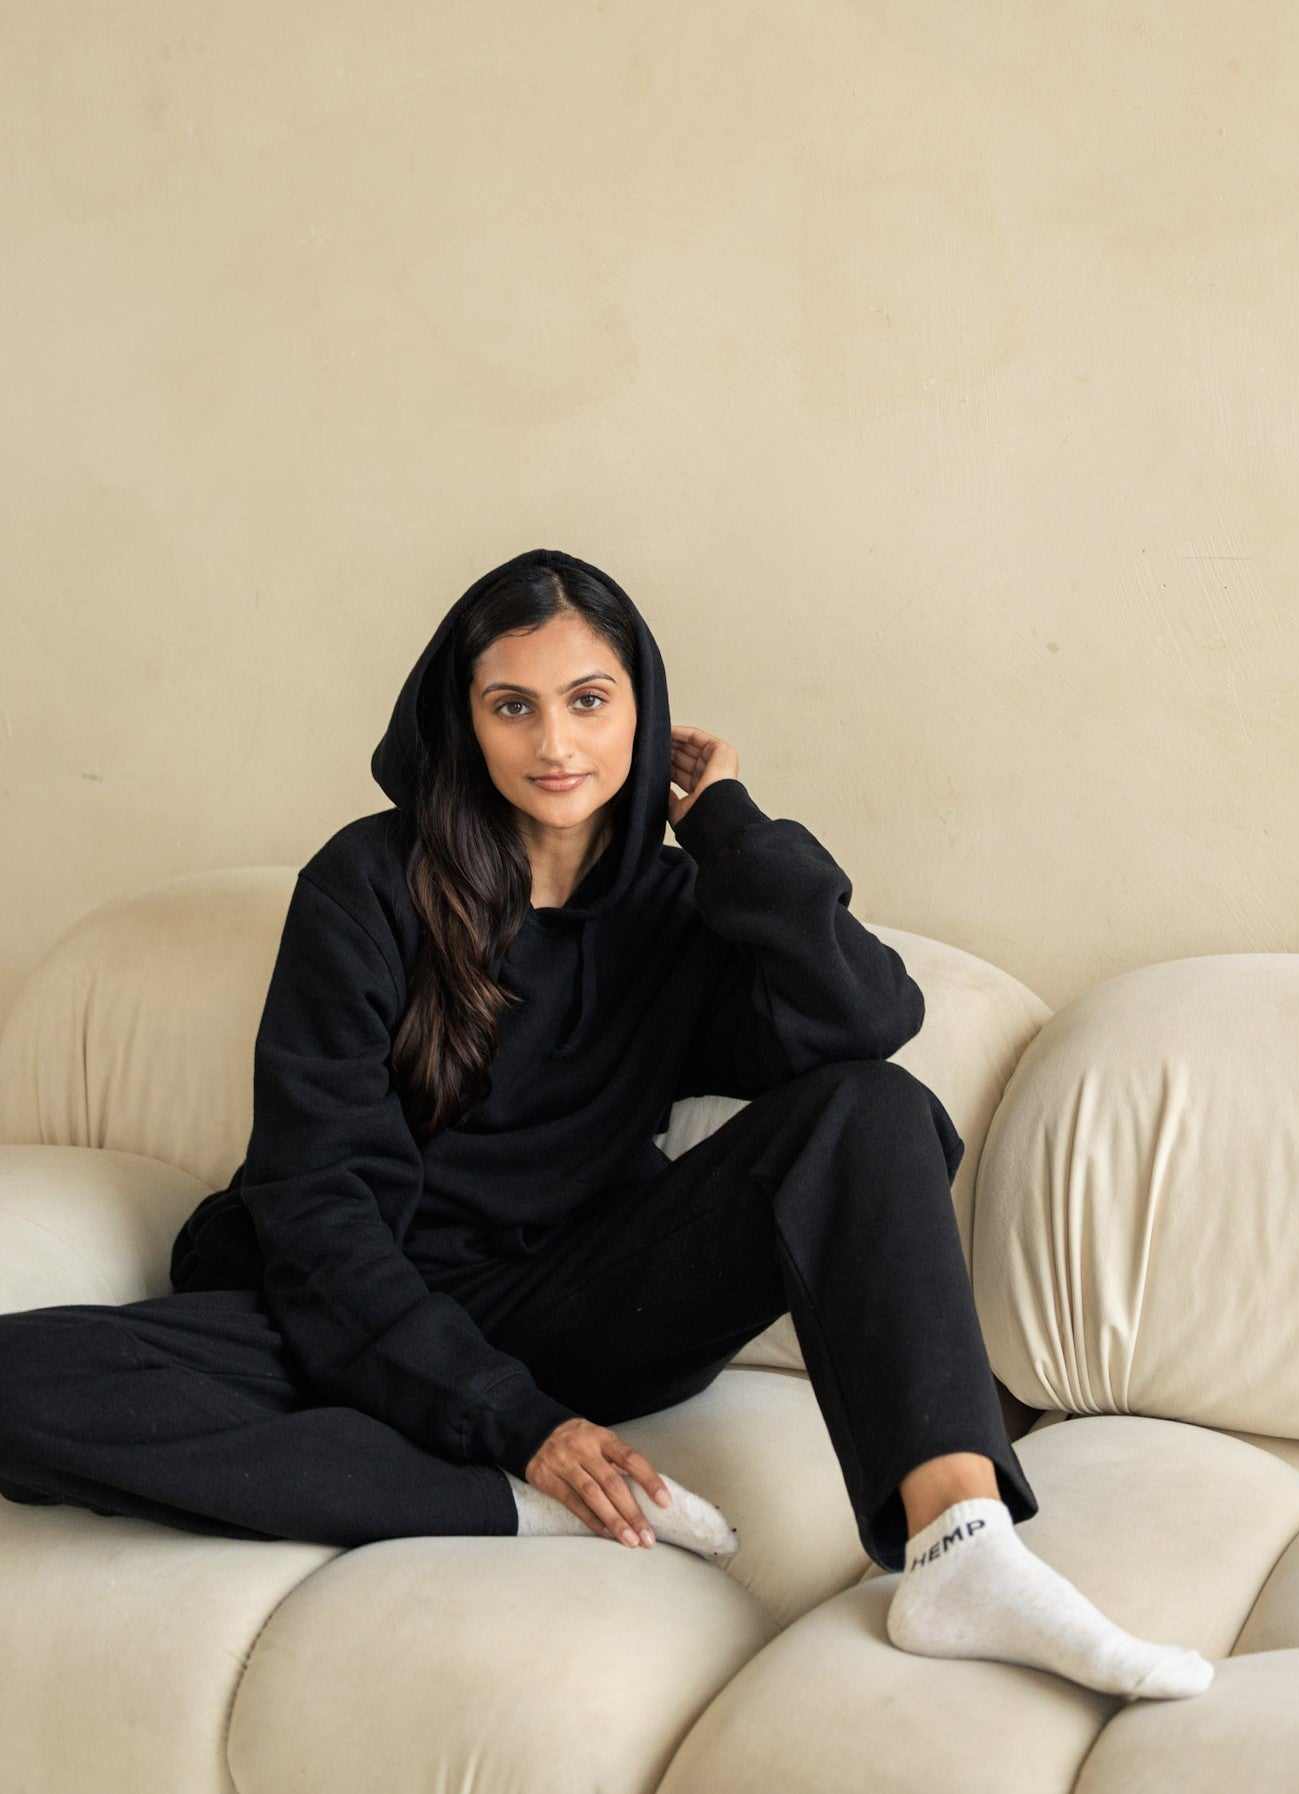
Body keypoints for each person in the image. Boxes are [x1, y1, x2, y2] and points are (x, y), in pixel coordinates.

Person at [0, 547, 1212, 1702]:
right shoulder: (366, 886)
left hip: (589, 1306)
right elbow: (318, 1211)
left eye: (589, 700)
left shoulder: (676, 909)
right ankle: (501, 1500)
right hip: (365, 1317)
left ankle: (960, 1545)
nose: (555, 744)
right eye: (512, 707)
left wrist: (724, 821)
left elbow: (864, 1016)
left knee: (870, 1110)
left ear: (646, 713)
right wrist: (521, 1433)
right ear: (463, 721)